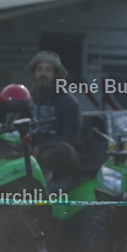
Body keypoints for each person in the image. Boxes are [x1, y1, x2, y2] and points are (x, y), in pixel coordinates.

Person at [26, 50, 82, 189]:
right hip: (29, 151)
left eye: (48, 70)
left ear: (56, 74)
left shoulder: (68, 102)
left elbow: (70, 139)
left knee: (65, 150)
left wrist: (41, 148)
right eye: (39, 69)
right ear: (34, 73)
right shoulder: (26, 99)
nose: (43, 74)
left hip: (54, 153)